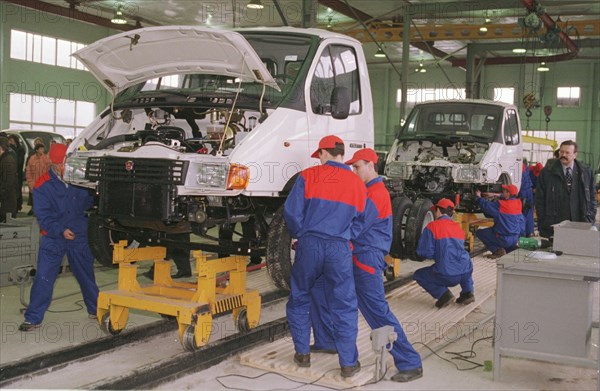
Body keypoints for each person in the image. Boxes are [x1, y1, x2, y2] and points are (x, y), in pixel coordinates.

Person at [310, 148, 423, 383]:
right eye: (352, 166)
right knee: (323, 290)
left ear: (371, 165)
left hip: (366, 259)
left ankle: (410, 362)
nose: (354, 170)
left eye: (357, 166)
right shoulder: (367, 192)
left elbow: (355, 226)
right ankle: (331, 342)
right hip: (356, 257)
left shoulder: (376, 195)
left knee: (377, 312)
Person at [284, 135, 366, 378]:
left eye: (318, 155)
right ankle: (348, 363)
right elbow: (361, 220)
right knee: (344, 304)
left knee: (300, 296)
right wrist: (344, 235)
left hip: (310, 244)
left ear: (323, 153)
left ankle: (302, 354)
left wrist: (301, 233)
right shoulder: (356, 183)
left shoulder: (308, 176)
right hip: (339, 248)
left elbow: (291, 212)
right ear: (341, 153)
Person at [19, 144, 99, 331]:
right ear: (53, 163)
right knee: (44, 277)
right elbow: (44, 217)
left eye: (67, 164)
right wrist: (60, 230)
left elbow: (89, 203)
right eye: (60, 164)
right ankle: (33, 318)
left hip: (78, 235)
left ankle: (96, 309)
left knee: (86, 275)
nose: (64, 169)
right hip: (53, 238)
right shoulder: (42, 185)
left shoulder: (80, 181)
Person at [414, 198, 475, 308]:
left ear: (438, 211)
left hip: (448, 274)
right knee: (464, 265)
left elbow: (424, 252)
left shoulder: (432, 227)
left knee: (419, 275)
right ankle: (468, 293)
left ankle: (443, 295)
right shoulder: (458, 228)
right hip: (466, 269)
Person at [536, 140, 597, 239]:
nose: (563, 154)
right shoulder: (547, 173)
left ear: (574, 155)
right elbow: (539, 199)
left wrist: (590, 217)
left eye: (567, 152)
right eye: (561, 152)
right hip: (554, 223)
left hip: (580, 222)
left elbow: (592, 197)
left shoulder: (586, 173)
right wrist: (543, 220)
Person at [475, 184, 525, 258]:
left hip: (503, 238)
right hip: (515, 238)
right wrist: (495, 195)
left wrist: (479, 197)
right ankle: (510, 249)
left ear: (508, 193)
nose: (502, 192)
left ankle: (497, 251)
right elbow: (509, 197)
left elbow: (486, 206)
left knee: (480, 233)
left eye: (504, 191)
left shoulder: (501, 205)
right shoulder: (518, 203)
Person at [25, 144, 51, 216]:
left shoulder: (46, 158)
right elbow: (28, 172)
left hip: (44, 185)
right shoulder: (32, 159)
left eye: (43, 149)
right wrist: (30, 183)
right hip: (34, 184)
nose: (42, 150)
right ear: (37, 150)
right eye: (41, 149)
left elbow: (50, 171)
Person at [0, 137, 18, 222]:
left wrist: (1, 192)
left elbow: (8, 182)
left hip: (7, 201)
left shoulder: (7, 161)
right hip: (5, 199)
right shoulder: (4, 159)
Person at [7, 135, 25, 211]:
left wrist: (13, 148)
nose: (10, 142)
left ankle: (18, 206)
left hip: (18, 173)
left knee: (17, 190)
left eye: (11, 140)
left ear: (15, 140)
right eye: (9, 141)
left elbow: (19, 162)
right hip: (12, 173)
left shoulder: (20, 149)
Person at [519, 161, 535, 237]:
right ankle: (529, 233)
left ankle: (525, 234)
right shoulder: (524, 168)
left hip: (524, 194)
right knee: (528, 214)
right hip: (527, 192)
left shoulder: (519, 168)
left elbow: (522, 185)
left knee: (524, 214)